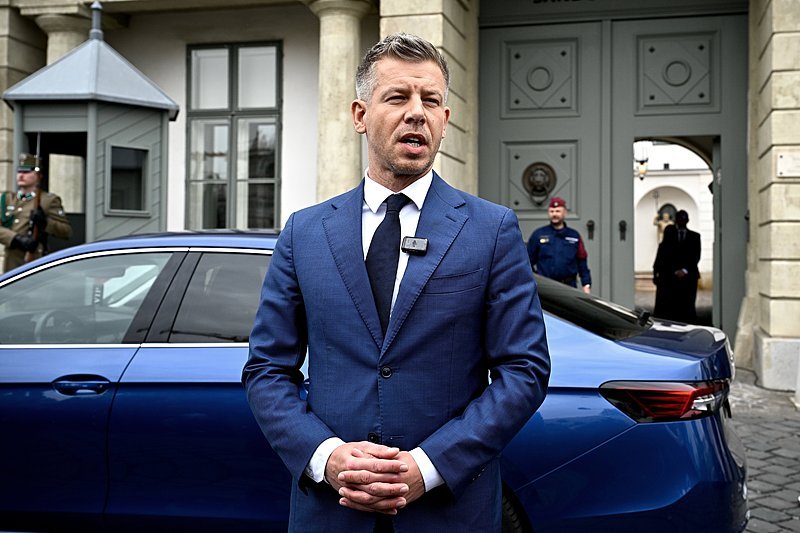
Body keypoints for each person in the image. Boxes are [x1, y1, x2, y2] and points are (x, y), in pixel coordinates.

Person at [243, 33, 550, 532]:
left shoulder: (491, 229)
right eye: (398, 97)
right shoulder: (304, 232)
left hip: (447, 514)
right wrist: (326, 457)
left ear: (445, 120)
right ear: (360, 115)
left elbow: (524, 370)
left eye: (430, 101)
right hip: (332, 513)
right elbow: (267, 369)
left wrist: (428, 467)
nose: (416, 113)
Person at [0, 153, 71, 272]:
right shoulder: (7, 199)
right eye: (19, 172)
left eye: (27, 172)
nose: (21, 175)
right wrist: (16, 238)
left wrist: (45, 222)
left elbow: (66, 231)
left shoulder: (48, 200)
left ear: (38, 176)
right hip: (12, 260)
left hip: (36, 258)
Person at [527, 196, 592, 293]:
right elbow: (527, 261)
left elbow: (582, 262)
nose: (554, 214)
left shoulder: (574, 236)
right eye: (552, 211)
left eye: (558, 211)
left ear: (565, 212)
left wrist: (586, 285)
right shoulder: (538, 234)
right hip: (545, 287)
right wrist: (534, 280)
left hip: (569, 287)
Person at [652, 210, 700, 323]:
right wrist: (664, 272)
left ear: (688, 220)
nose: (681, 221)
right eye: (679, 219)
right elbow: (662, 256)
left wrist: (684, 270)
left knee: (687, 307)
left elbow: (696, 256)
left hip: (688, 276)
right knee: (670, 308)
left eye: (684, 219)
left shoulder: (695, 236)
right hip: (670, 276)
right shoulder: (669, 235)